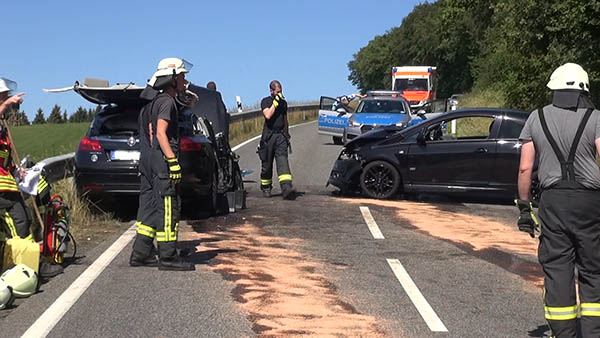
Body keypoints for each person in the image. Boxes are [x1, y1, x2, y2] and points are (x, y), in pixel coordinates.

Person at [517, 63, 600, 338]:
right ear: (583, 89)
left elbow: (525, 169)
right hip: (590, 202)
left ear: (554, 88)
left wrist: (525, 208)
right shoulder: (596, 118)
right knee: (593, 268)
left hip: (553, 203)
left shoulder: (535, 118)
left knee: (558, 268)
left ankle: (564, 333)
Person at [130, 58, 194, 271]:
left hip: (147, 164)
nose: (185, 80)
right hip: (162, 164)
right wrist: (173, 162)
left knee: (147, 208)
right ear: (173, 78)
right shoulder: (166, 102)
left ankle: (140, 253)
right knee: (168, 208)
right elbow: (160, 133)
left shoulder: (150, 103)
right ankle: (168, 256)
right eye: (182, 76)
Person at [0, 79, 30, 240]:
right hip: (3, 194)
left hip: (7, 189)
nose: (7, 102)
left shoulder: (3, 130)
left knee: (25, 220)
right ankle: (22, 262)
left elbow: (4, 160)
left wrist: (16, 170)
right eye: (3, 98)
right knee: (19, 225)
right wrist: (5, 105)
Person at [258, 80, 296, 200]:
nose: (280, 94)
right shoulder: (266, 101)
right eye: (277, 91)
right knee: (267, 165)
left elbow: (285, 119)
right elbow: (268, 115)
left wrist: (286, 134)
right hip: (268, 136)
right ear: (271, 91)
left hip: (281, 136)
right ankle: (266, 187)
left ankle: (286, 188)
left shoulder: (283, 103)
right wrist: (275, 103)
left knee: (282, 161)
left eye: (281, 91)